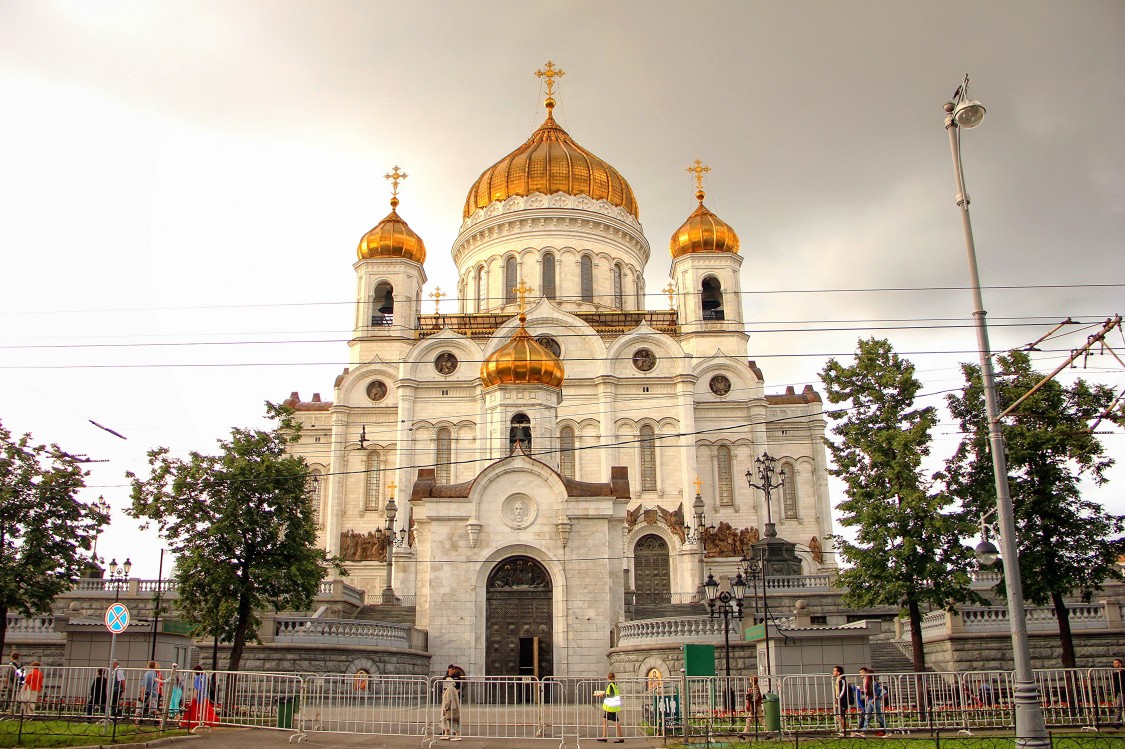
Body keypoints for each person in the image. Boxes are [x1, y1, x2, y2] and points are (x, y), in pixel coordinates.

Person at [595, 671, 624, 743]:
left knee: (616, 721)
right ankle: (604, 737)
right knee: (604, 720)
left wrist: (602, 695)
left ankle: (621, 738)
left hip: (611, 707)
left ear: (608, 678)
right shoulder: (614, 685)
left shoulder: (611, 685)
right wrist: (604, 693)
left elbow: (611, 695)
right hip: (611, 707)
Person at [857, 667, 886, 732]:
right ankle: (863, 731)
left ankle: (887, 730)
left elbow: (878, 691)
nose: (865, 676)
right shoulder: (868, 682)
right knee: (867, 715)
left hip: (874, 700)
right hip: (870, 699)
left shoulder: (873, 682)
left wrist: (874, 698)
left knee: (879, 716)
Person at [440, 664, 463, 741]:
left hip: (450, 707)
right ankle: (446, 733)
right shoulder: (451, 689)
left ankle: (457, 734)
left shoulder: (450, 690)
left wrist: (445, 707)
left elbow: (448, 700)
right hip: (452, 706)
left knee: (451, 719)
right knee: (446, 719)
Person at [833, 666, 849, 736]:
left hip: (842, 701)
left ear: (838, 672)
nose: (833, 672)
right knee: (838, 716)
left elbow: (843, 690)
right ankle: (847, 730)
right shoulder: (837, 680)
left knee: (841, 716)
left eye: (835, 671)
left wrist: (839, 698)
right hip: (838, 700)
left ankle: (846, 731)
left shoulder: (842, 680)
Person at [1112, 657, 1124, 724]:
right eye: (1114, 663)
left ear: (1120, 664)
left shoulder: (1124, 671)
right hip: (1120, 692)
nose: (1115, 664)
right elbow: (1115, 685)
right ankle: (1116, 722)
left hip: (1123, 691)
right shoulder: (1115, 674)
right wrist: (1115, 696)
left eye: (1116, 663)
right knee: (1119, 707)